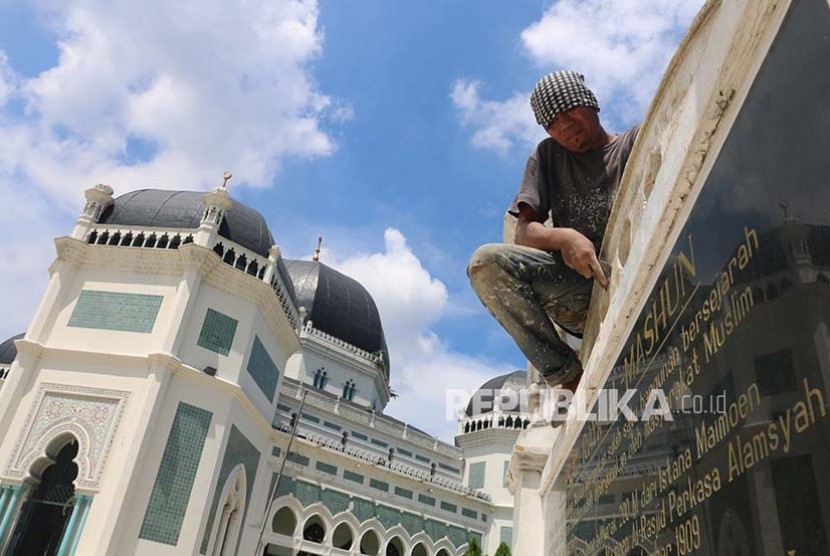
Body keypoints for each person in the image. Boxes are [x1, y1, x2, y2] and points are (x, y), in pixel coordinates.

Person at [468, 70, 639, 396]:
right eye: (553, 124)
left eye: (569, 112)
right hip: (580, 288)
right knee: (485, 264)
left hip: (634, 265)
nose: (565, 127)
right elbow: (525, 232)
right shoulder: (548, 156)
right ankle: (569, 379)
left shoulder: (632, 143)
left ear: (590, 104)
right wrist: (566, 238)